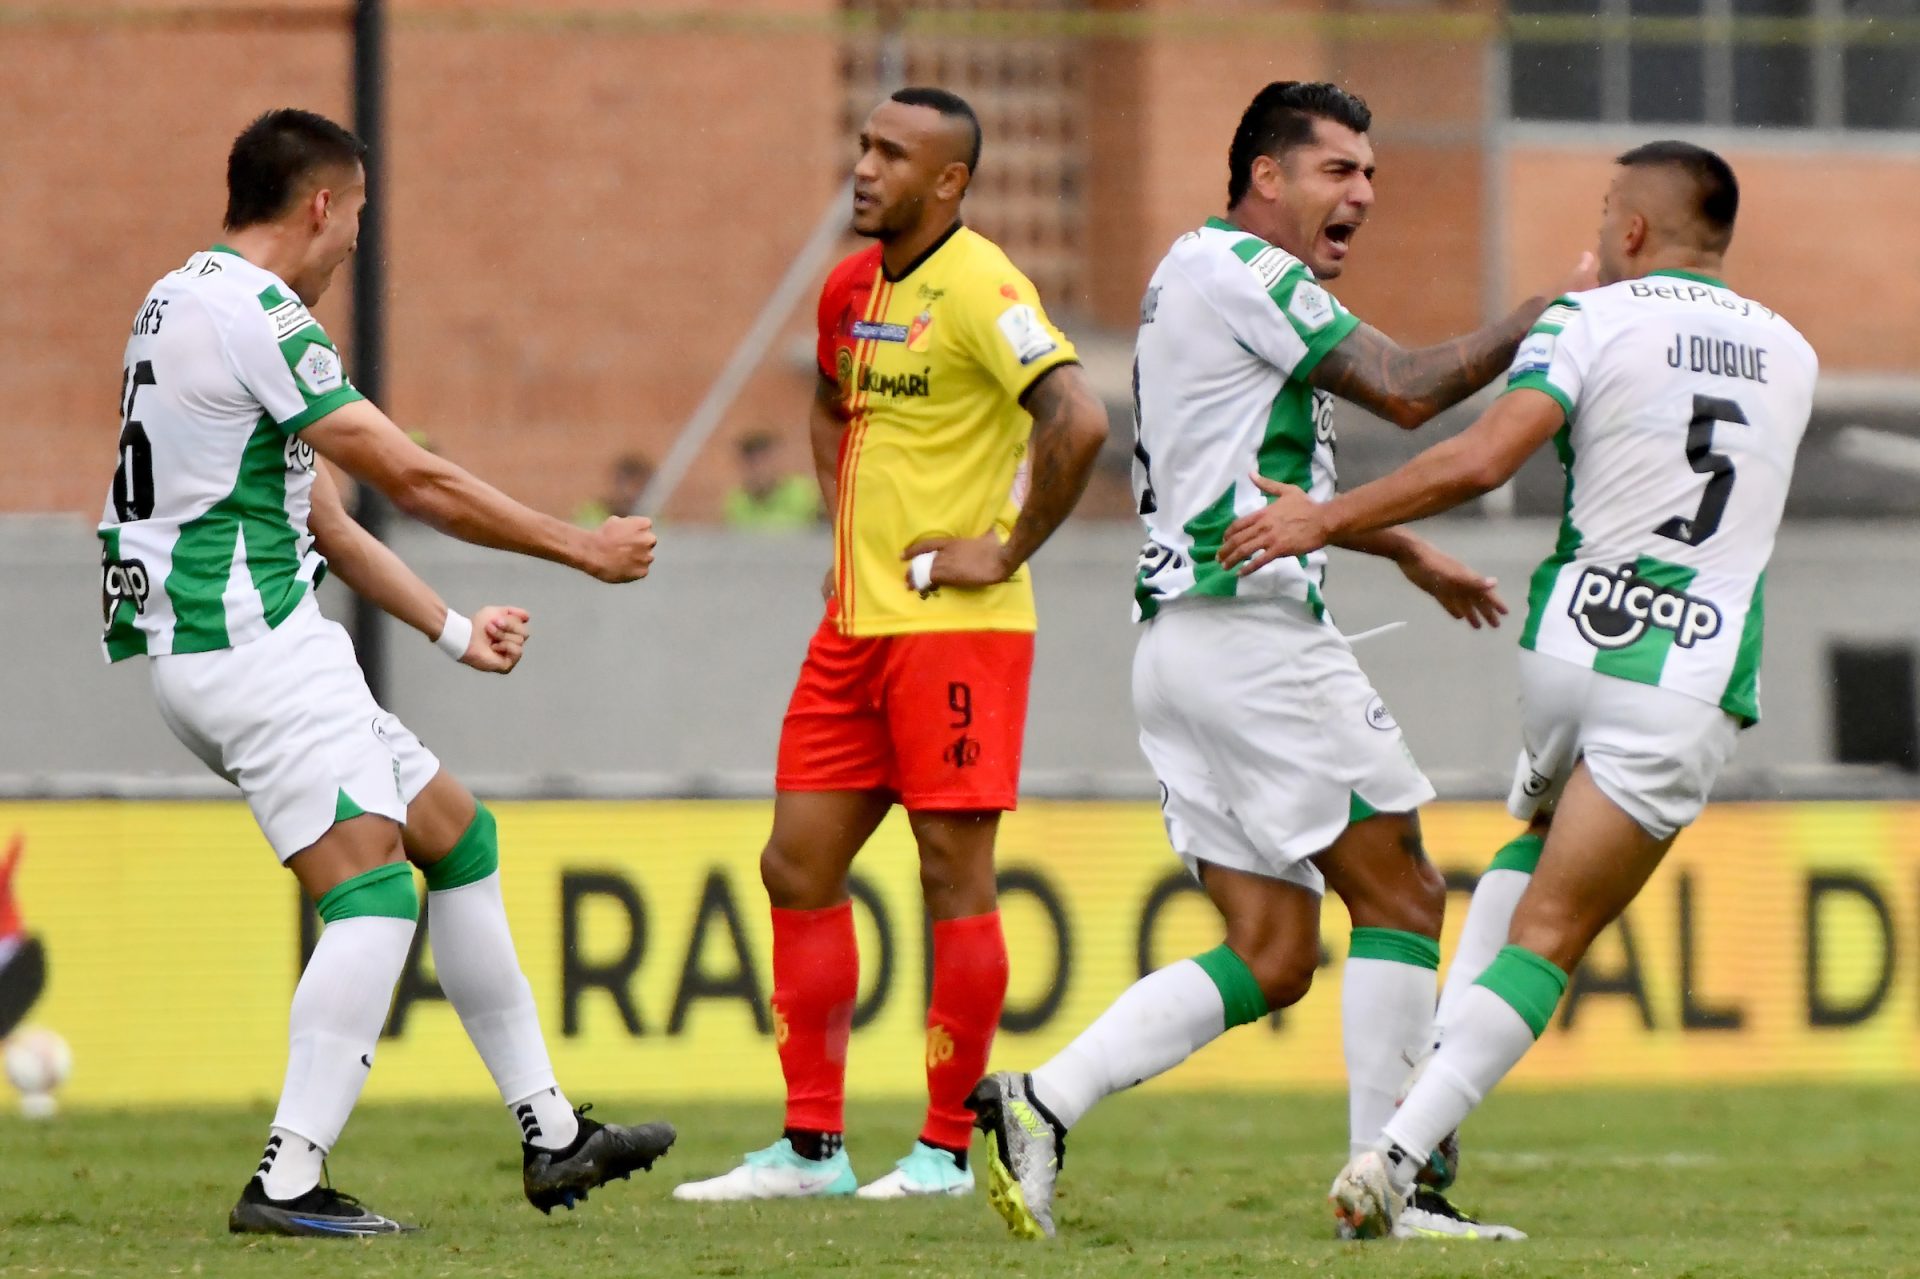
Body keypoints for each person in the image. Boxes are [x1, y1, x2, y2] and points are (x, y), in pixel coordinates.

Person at [969, 80, 1592, 1242]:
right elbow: (1409, 391)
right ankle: (1395, 1193)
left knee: (1275, 949)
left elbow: (1249, 474)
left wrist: (1398, 545)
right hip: (1251, 637)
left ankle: (1039, 1104)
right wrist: (1550, 316)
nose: (1360, 193)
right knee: (1402, 891)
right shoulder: (1248, 272)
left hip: (1183, 643)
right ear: (1266, 175)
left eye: (1370, 177)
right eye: (1338, 171)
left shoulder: (1194, 277)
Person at [1218, 143, 1816, 1237]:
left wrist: (1323, 512)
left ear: (1627, 232)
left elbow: (1486, 457)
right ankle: (1398, 1158)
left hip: (1569, 646)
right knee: (1552, 933)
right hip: (1685, 668)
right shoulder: (1795, 350)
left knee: (1534, 843)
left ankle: (1423, 1107)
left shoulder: (1587, 319)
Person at [97, 109, 674, 1238]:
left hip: (224, 651)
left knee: (455, 835)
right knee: (372, 893)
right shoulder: (264, 317)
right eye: (356, 216)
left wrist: (455, 631)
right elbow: (417, 479)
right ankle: (290, 1177)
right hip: (254, 647)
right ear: (321, 205)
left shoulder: (175, 302)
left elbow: (335, 523)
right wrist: (584, 547)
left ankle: (553, 1133)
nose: (358, 241)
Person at [673, 87, 1109, 1203]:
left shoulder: (986, 286)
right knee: (796, 863)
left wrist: (1003, 551)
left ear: (949, 182)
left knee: (950, 870)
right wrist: (844, 527)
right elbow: (830, 406)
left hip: (957, 635)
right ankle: (813, 1150)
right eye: (864, 145)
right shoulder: (849, 291)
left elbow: (1080, 417)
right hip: (855, 627)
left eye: (892, 153)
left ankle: (944, 1153)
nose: (864, 167)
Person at [724, 431, 823, 530]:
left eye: (763, 461)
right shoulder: (737, 503)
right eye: (752, 463)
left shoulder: (803, 493)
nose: (759, 469)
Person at [574, 452, 654, 528]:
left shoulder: (653, 518)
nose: (631, 494)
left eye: (639, 486)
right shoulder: (591, 514)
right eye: (628, 485)